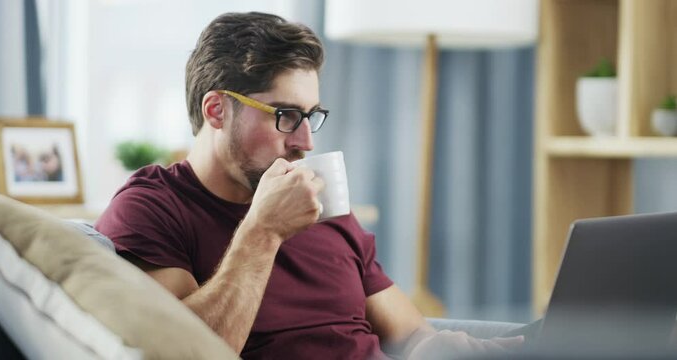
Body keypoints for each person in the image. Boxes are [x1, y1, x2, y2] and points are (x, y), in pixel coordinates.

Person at [95, 12, 523, 359]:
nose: (306, 142)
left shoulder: (322, 199)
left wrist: (451, 349)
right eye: (285, 115)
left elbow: (411, 336)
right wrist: (263, 232)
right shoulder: (151, 209)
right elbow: (188, 354)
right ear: (216, 110)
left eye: (311, 116)